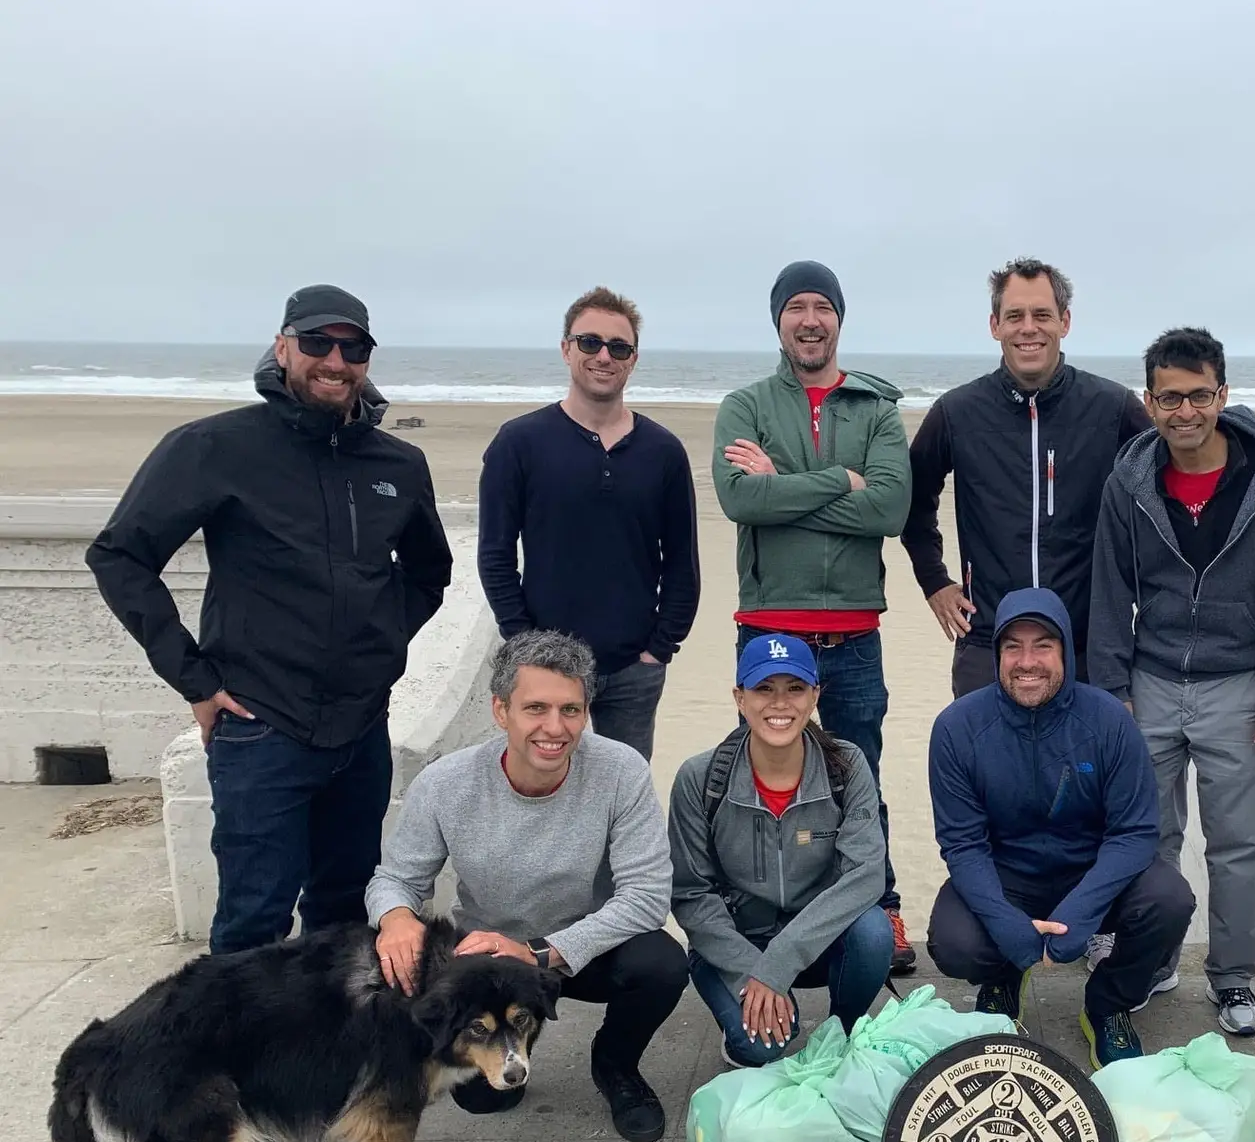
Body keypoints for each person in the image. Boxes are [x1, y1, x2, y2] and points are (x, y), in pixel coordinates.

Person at [87, 283, 452, 959]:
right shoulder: (214, 446)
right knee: (254, 924)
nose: (335, 361)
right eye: (317, 343)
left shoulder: (398, 464)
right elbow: (119, 555)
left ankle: (327, 1063)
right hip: (262, 728)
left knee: (345, 920)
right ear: (283, 346)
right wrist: (192, 675)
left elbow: (430, 571)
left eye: (353, 348)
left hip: (362, 727)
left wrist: (380, 645)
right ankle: (229, 1067)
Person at [365, 630, 686, 1142]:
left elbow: (646, 896)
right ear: (500, 711)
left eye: (571, 710)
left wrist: (540, 953)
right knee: (485, 1100)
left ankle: (616, 1065)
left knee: (663, 964)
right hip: (489, 959)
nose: (555, 728)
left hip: (585, 948)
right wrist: (396, 916)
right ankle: (511, 1044)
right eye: (535, 708)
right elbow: (395, 879)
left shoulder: (620, 771)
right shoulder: (446, 783)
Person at [1088, 327, 1255, 1037]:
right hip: (1150, 681)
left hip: (1240, 686)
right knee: (1147, 837)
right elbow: (1108, 588)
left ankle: (1233, 978)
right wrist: (1112, 686)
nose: (1184, 411)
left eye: (1198, 395)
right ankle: (1154, 960)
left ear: (1222, 394)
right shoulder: (1128, 482)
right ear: (1148, 400)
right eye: (1168, 397)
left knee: (1238, 845)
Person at [712, 260, 916, 974]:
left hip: (855, 636)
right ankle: (762, 917)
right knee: (765, 780)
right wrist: (840, 483)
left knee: (860, 775)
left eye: (821, 307)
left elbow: (890, 509)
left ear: (838, 319)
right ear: (778, 320)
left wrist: (785, 486)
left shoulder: (877, 410)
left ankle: (880, 911)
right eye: (795, 306)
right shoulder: (745, 406)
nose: (809, 319)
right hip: (771, 629)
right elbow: (742, 501)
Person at [926, 588, 1196, 1069]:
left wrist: (1080, 913)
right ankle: (1005, 978)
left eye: (1043, 645)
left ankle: (1108, 1003)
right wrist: (1010, 928)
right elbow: (963, 843)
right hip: (1007, 876)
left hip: (1091, 872)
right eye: (1013, 646)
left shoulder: (1109, 721)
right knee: (953, 943)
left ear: (1067, 652)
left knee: (1170, 900)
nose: (1027, 661)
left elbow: (1134, 833)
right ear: (997, 655)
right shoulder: (956, 729)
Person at [904, 257, 1154, 698]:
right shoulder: (957, 412)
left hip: (1089, 644)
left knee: (1086, 769)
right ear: (995, 325)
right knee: (987, 766)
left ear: (1065, 322)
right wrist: (935, 581)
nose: (1028, 328)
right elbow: (911, 499)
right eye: (1015, 316)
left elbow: (1167, 490)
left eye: (1042, 315)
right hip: (988, 639)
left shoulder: (1112, 408)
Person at [477, 285, 699, 761]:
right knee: (541, 796)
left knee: (624, 803)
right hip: (544, 670)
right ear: (566, 349)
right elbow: (495, 555)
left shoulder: (663, 452)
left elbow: (682, 562)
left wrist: (660, 649)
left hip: (632, 670)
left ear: (633, 359)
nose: (604, 356)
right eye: (589, 342)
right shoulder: (518, 443)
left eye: (619, 347)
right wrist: (524, 643)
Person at [668, 634, 893, 1067]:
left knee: (873, 929)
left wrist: (780, 963)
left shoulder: (846, 764)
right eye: (763, 688)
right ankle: (751, 1019)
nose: (780, 703)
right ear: (740, 697)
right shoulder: (700, 777)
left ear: (815, 696)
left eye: (794, 688)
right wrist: (752, 970)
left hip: (815, 939)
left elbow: (866, 875)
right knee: (760, 1048)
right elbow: (692, 895)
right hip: (737, 942)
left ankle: (840, 1033)